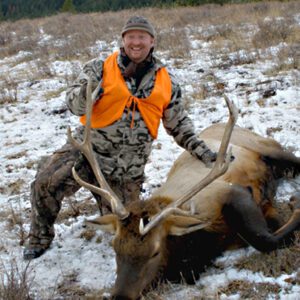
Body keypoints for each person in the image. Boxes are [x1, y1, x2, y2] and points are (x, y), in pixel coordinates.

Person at [23, 16, 217, 260]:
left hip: (125, 170)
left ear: (152, 41)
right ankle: (40, 237)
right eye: (131, 37)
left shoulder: (167, 82)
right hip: (87, 153)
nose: (136, 42)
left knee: (127, 224)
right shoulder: (99, 68)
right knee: (44, 183)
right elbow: (73, 105)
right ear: (123, 40)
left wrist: (204, 153)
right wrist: (89, 92)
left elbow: (179, 125)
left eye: (142, 37)